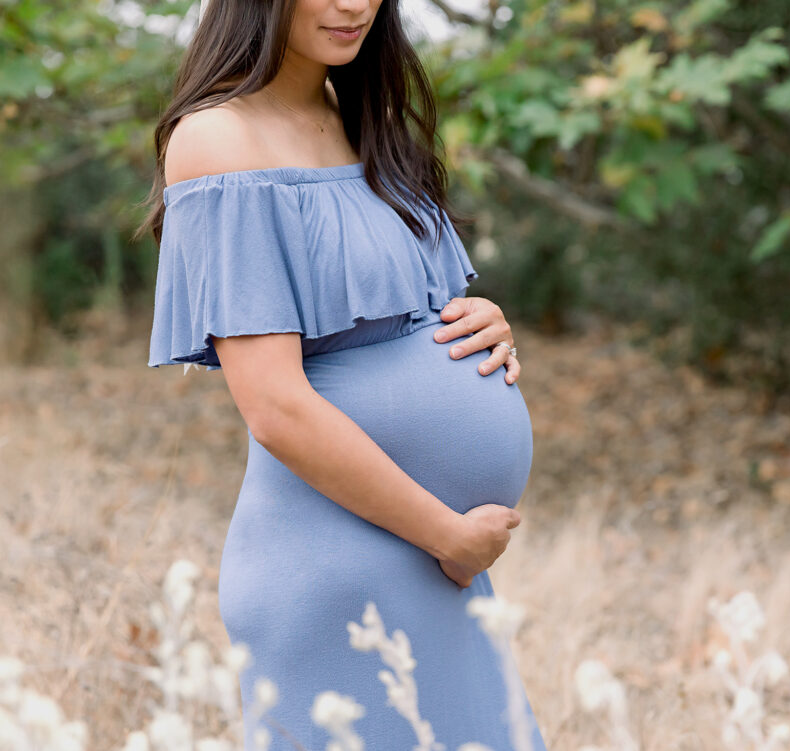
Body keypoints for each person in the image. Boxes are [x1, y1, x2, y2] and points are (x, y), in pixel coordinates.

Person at [135, 0, 547, 749]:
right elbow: (276, 406)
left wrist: (479, 319)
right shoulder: (219, 139)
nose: (354, 3)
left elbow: (399, 310)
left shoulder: (355, 110)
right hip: (342, 563)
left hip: (428, 558)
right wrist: (448, 535)